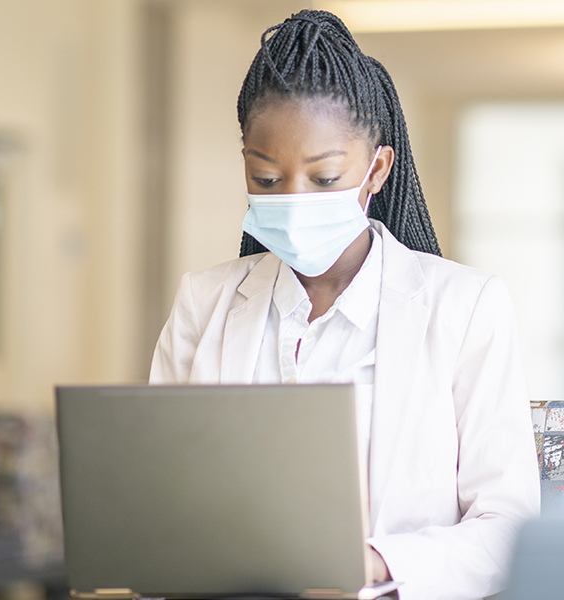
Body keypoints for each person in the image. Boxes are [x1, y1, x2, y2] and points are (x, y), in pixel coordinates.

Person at [150, 9, 540, 600]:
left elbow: (506, 529)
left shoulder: (465, 307)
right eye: (268, 178)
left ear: (376, 169)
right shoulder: (203, 303)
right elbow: (157, 497)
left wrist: (375, 561)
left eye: (325, 177)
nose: (294, 199)